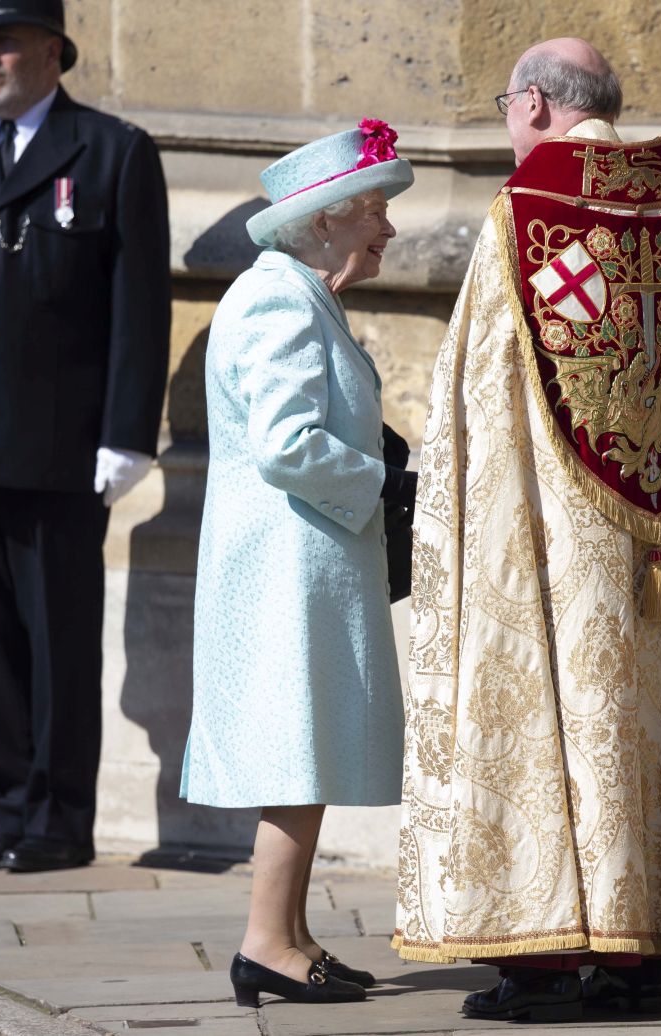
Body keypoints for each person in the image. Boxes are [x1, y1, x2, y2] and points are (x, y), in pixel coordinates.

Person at [392, 37, 661, 1022]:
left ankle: (542, 962)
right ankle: (644, 959)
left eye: (508, 102)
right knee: (659, 723)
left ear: (539, 104)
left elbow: (480, 401)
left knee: (555, 719)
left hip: (558, 539)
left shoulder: (522, 216)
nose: (508, 120)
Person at [180, 120, 416, 1008]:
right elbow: (287, 447)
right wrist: (392, 484)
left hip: (303, 561)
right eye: (374, 211)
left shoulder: (302, 293)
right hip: (284, 567)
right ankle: (265, 943)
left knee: (305, 751)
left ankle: (289, 935)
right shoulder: (277, 298)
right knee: (294, 753)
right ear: (322, 222)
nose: (388, 229)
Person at [0, 0, 170, 873]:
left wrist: (126, 433)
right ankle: (8, 813)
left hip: (58, 448)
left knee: (55, 639)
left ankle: (57, 822)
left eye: (3, 40)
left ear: (53, 50)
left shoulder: (111, 151)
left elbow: (139, 304)